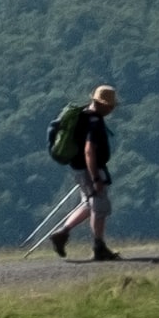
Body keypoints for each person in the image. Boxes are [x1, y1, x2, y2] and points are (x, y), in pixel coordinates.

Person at [47, 84, 120, 261]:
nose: (111, 110)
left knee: (88, 203)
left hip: (78, 168)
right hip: (90, 169)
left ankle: (62, 233)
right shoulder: (94, 122)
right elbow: (89, 150)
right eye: (109, 106)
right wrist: (95, 177)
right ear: (102, 104)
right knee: (99, 205)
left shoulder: (81, 115)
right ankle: (99, 246)